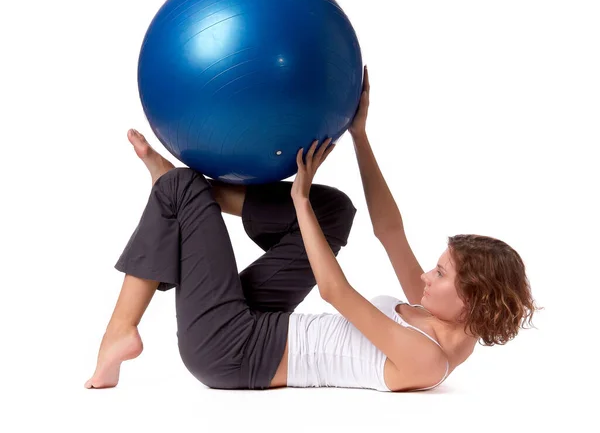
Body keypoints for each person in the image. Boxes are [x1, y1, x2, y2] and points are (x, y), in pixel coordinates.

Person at [85, 65, 541, 392]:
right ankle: (187, 200)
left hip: (229, 350)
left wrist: (299, 199)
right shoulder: (442, 315)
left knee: (183, 187)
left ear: (473, 298)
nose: (425, 276)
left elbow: (334, 292)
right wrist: (361, 135)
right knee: (336, 211)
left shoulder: (428, 359)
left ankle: (120, 329)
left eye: (440, 275)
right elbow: (390, 231)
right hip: (260, 321)